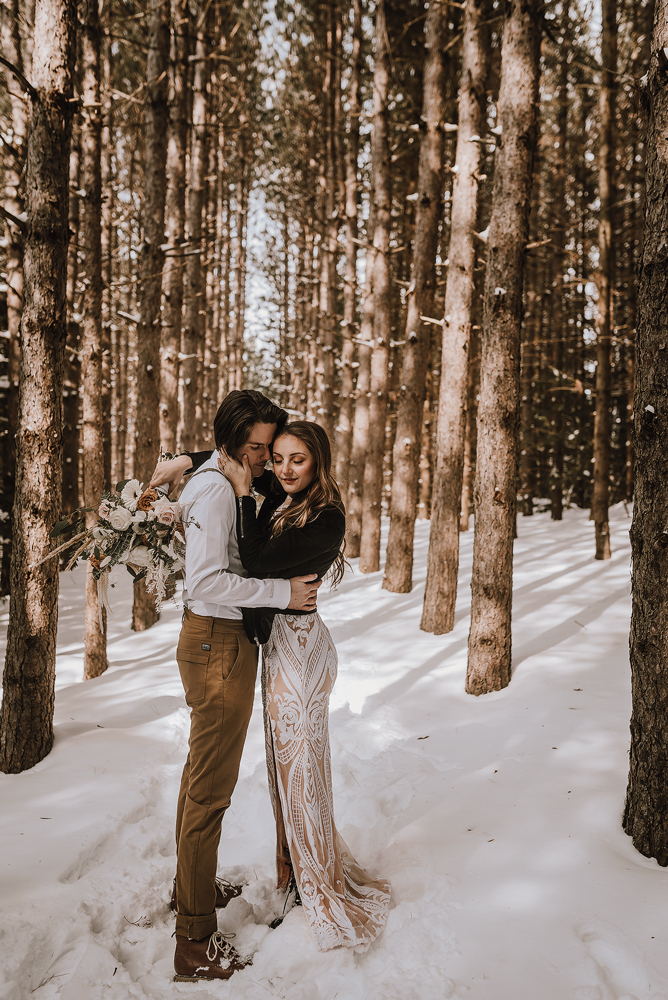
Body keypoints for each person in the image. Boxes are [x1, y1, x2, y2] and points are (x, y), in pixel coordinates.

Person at [167, 421, 391, 953]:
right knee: (282, 773)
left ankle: (317, 885)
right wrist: (183, 458)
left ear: (319, 464)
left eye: (298, 461)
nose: (283, 469)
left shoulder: (326, 518)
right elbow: (239, 453)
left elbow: (261, 562)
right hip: (279, 651)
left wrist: (244, 497)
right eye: (280, 459)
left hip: (301, 656)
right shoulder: (279, 491)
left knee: (303, 773)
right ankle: (294, 875)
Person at [160, 391, 322, 983]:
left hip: (216, 643)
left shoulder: (220, 478)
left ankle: (189, 891)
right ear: (233, 441)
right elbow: (207, 580)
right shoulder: (213, 489)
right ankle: (193, 945)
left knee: (198, 780)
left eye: (269, 447)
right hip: (218, 643)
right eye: (255, 448)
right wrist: (283, 594)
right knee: (210, 792)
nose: (264, 458)